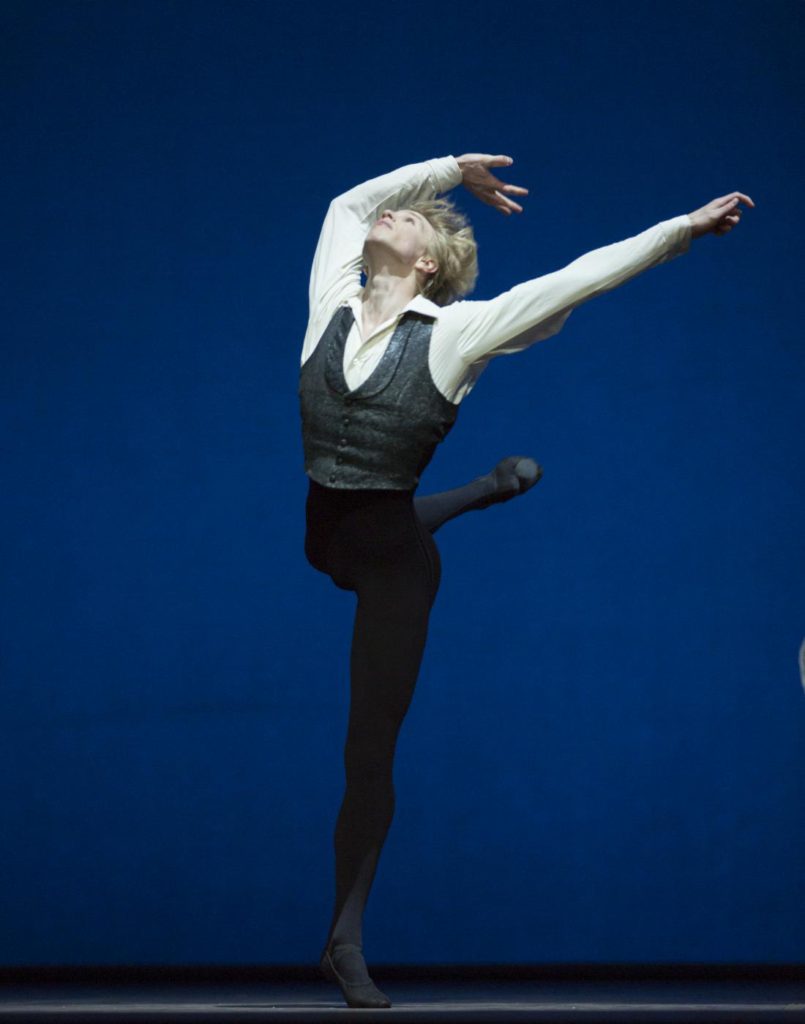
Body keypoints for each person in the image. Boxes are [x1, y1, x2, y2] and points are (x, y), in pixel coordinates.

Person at [298, 152, 754, 1008]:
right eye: (395, 213)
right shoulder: (330, 300)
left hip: (395, 560)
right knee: (343, 546)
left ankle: (343, 937)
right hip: (326, 536)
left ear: (428, 262)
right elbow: (347, 198)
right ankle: (485, 489)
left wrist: (680, 231)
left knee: (368, 749)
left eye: (412, 217)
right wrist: (450, 170)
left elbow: (579, 277)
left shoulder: (458, 334)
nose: (391, 215)